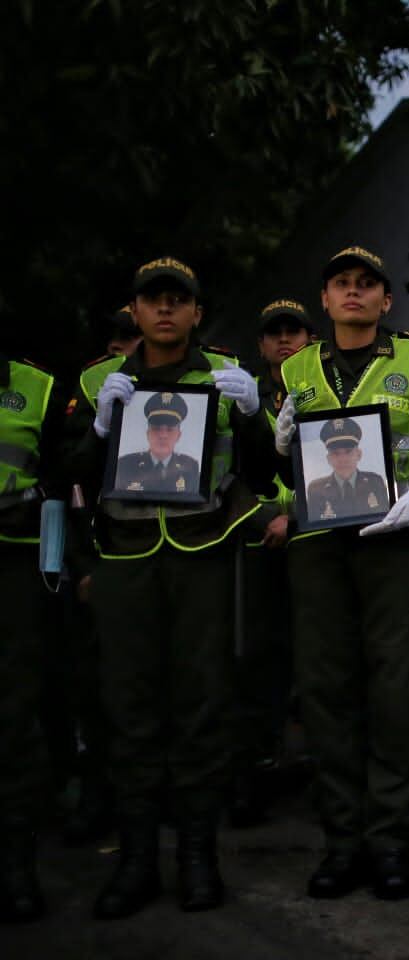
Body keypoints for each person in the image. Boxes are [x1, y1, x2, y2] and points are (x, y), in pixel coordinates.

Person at [66, 257, 274, 917]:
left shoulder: (223, 375)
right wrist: (100, 428)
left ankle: (196, 856)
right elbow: (64, 479)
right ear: (134, 309)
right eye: (152, 300)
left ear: (196, 312)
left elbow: (267, 471)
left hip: (200, 550)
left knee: (202, 706)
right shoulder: (101, 378)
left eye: (176, 300)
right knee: (128, 709)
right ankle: (135, 859)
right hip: (125, 555)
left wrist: (251, 417)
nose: (164, 311)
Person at [272, 245, 409, 901]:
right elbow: (275, 464)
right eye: (340, 284)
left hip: (393, 544)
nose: (353, 293)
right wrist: (270, 441)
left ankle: (391, 844)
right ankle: (342, 843)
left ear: (387, 301)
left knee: (395, 693)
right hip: (319, 548)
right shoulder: (294, 368)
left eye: (367, 285)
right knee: (327, 694)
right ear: (324, 300)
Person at [230, 298, 313, 828]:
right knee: (259, 662)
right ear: (260, 344)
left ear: (309, 339)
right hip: (259, 542)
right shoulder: (241, 396)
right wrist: (266, 520)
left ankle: (323, 779)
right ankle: (254, 775)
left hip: (314, 537)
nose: (284, 340)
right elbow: (226, 469)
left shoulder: (323, 387)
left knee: (321, 659)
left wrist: (297, 519)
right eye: (273, 333)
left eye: (294, 331)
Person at [0, 342, 66, 923]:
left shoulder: (38, 385)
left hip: (13, 567)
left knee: (14, 720)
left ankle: (16, 866)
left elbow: (63, 480)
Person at [112, 391, 202, 494]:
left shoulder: (191, 467)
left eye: (169, 429)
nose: (163, 435)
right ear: (147, 434)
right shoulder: (125, 465)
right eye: (156, 428)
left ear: (178, 435)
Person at [304, 417, 390, 522]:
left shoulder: (375, 482)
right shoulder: (316, 489)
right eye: (335, 453)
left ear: (358, 454)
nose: (342, 459)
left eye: (348, 451)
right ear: (328, 459)